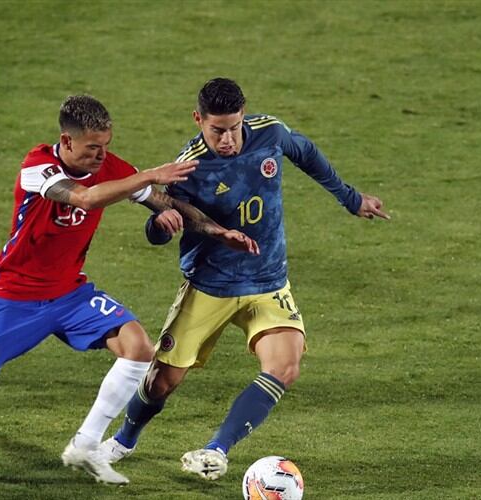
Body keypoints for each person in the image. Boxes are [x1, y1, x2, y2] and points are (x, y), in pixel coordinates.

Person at [0, 94, 260, 492]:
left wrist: (217, 231)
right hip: (16, 296)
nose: (101, 156)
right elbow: (83, 197)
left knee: (139, 347)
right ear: (67, 140)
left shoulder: (108, 166)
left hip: (70, 293)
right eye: (93, 147)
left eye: (106, 146)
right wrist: (147, 175)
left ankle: (86, 444)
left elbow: (165, 200)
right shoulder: (37, 168)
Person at [100, 78, 389, 480]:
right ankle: (124, 440)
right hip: (210, 286)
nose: (228, 139)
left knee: (285, 367)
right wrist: (162, 227)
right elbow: (157, 226)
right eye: (217, 129)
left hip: (269, 282)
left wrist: (351, 197)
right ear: (198, 119)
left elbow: (305, 152)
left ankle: (216, 449)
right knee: (162, 383)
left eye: (234, 127)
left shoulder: (269, 133)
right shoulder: (188, 168)